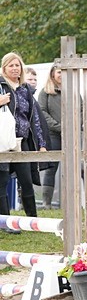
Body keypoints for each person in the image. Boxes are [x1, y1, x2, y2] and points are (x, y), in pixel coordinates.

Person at [0, 52, 47, 228]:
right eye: (11, 65)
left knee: (26, 181)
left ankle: (33, 221)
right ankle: (6, 223)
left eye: (17, 65)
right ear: (4, 68)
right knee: (2, 182)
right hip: (3, 142)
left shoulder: (25, 89)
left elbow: (34, 119)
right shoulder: (0, 86)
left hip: (23, 141)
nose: (14, 68)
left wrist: (41, 143)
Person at [36, 63, 63, 208]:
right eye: (59, 72)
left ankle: (72, 202)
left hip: (72, 135)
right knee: (51, 168)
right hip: (53, 135)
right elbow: (42, 113)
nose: (62, 75)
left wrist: (74, 126)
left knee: (74, 168)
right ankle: (47, 203)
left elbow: (81, 110)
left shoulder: (73, 91)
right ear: (53, 74)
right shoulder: (45, 93)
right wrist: (59, 127)